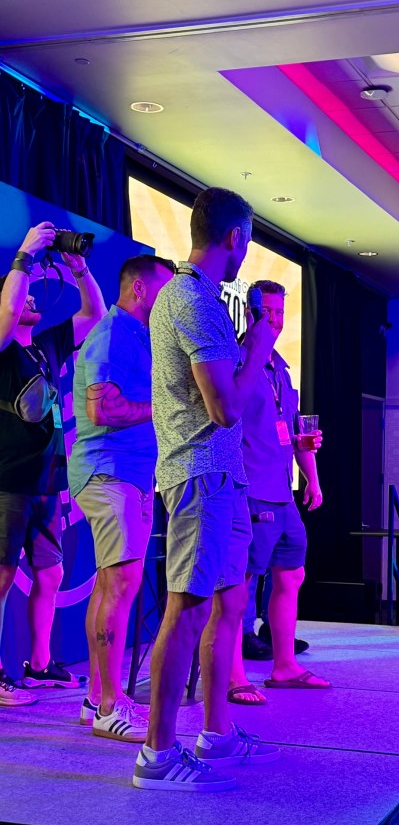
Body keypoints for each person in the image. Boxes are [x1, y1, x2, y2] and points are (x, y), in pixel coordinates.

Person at [133, 187, 280, 793]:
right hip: (200, 473)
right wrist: (259, 348)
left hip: (223, 475)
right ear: (234, 237)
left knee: (228, 604)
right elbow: (224, 409)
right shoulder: (191, 298)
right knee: (187, 608)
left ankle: (216, 734)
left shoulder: (199, 298)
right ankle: (157, 754)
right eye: (248, 242)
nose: (245, 254)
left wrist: (246, 350)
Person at [0, 222, 106, 707]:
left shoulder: (45, 345)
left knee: (49, 575)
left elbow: (95, 314)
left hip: (47, 482)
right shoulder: (3, 347)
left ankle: (39, 665)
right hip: (8, 480)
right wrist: (25, 255)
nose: (30, 298)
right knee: (2, 577)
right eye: (21, 293)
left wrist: (80, 269)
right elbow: (7, 311)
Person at [68, 254, 175, 740]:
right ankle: (111, 706)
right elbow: (103, 410)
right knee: (121, 584)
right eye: (164, 291)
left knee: (111, 584)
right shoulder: (113, 333)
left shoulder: (137, 335)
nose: (170, 301)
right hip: (108, 472)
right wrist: (164, 406)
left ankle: (96, 698)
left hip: (128, 474)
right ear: (139, 290)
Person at [227, 280, 330, 705]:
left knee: (292, 574)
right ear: (250, 313)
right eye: (267, 311)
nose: (275, 319)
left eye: (280, 312)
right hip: (250, 489)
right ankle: (233, 675)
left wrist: (312, 478)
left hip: (283, 493)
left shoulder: (282, 369)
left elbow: (292, 431)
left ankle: (284, 666)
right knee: (241, 583)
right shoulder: (236, 360)